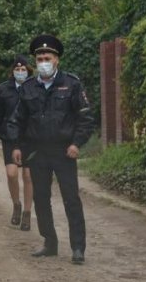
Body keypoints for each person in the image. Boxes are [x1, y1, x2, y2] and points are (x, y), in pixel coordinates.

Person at [12, 34, 94, 264]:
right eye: (39, 58)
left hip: (64, 151)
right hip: (38, 152)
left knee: (71, 199)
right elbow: (19, 120)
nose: (43, 62)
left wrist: (77, 143)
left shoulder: (71, 84)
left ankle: (78, 248)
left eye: (47, 57)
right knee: (40, 198)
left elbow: (85, 118)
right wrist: (17, 146)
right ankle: (50, 242)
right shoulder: (28, 88)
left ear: (57, 60)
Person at [0, 54, 34, 231]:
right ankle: (16, 205)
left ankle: (27, 213)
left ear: (28, 71)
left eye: (23, 70)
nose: (20, 72)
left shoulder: (34, 88)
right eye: (17, 69)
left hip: (30, 138)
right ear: (12, 71)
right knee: (12, 174)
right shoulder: (3, 90)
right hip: (9, 137)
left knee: (29, 176)